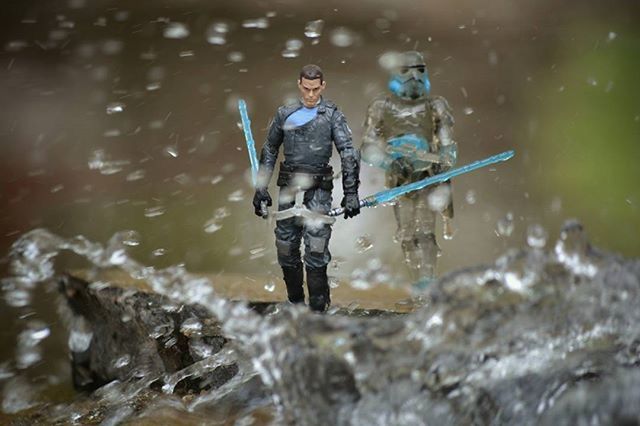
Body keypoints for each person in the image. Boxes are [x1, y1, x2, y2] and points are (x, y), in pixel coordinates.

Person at [252, 64, 361, 312]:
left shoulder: (332, 115)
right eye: (306, 88)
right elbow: (270, 149)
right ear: (299, 85)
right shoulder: (285, 113)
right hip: (289, 186)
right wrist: (261, 188)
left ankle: (318, 311)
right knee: (286, 248)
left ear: (323, 86)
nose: (311, 94)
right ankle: (296, 306)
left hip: (319, 188)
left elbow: (347, 152)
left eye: (315, 89)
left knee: (316, 248)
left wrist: (351, 192)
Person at [361, 51, 457, 287]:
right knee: (406, 234)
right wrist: (390, 162)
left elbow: (448, 149)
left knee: (425, 233)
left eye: (419, 69)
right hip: (400, 179)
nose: (413, 76)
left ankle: (427, 287)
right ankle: (419, 289)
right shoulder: (381, 107)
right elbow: (368, 148)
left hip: (426, 175)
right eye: (406, 70)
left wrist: (437, 163)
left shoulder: (436, 106)